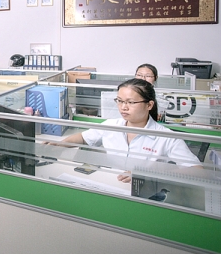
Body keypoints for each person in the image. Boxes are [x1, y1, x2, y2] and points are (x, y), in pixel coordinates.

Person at [45, 78, 199, 183]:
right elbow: (83, 137)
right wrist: (60, 144)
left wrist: (149, 175)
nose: (123, 107)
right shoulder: (112, 125)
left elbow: (197, 170)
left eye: (130, 102)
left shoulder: (166, 136)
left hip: (146, 193)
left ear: (149, 105)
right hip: (113, 185)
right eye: (119, 101)